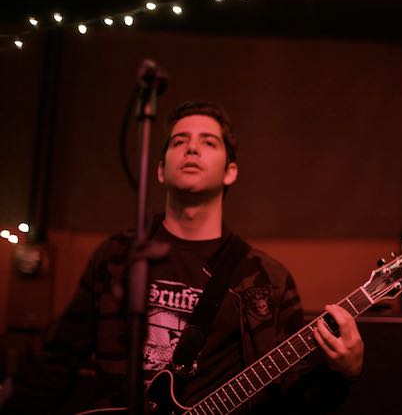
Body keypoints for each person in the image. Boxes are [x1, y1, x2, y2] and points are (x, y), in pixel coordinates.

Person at [0, 101, 364, 414]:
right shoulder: (119, 256)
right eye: (179, 141)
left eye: (208, 142)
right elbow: (57, 362)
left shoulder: (267, 279)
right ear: (159, 170)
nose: (192, 149)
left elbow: (294, 400)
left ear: (230, 171)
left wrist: (345, 373)